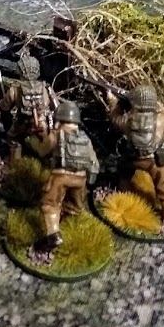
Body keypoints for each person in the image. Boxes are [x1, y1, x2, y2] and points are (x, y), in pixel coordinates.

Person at [103, 84, 164, 223]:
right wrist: (162, 109)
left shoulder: (129, 121)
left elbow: (115, 118)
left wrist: (112, 101)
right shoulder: (161, 120)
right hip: (155, 161)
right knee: (163, 186)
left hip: (134, 158)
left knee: (123, 172)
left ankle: (125, 193)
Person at [35, 101, 99, 252]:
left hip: (60, 177)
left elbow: (42, 151)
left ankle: (53, 235)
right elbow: (94, 163)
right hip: (81, 179)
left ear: (59, 120)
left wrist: (42, 137)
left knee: (50, 205)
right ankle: (67, 226)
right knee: (74, 207)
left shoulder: (56, 135)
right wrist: (90, 181)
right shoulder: (85, 138)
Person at [0, 50, 56, 161]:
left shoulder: (15, 89)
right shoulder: (46, 88)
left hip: (22, 123)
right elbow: (56, 108)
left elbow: (4, 108)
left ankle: (16, 162)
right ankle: (47, 160)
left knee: (13, 139)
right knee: (47, 142)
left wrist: (8, 123)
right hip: (42, 122)